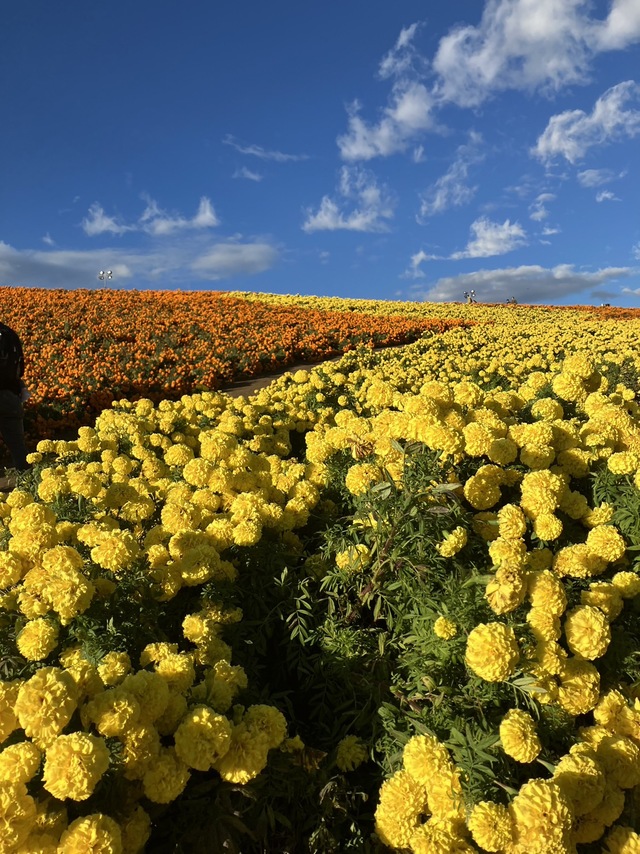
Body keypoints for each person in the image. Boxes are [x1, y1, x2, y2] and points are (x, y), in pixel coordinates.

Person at [0, 321, 28, 473]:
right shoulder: (9, 334)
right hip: (10, 396)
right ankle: (28, 485)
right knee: (18, 447)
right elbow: (20, 367)